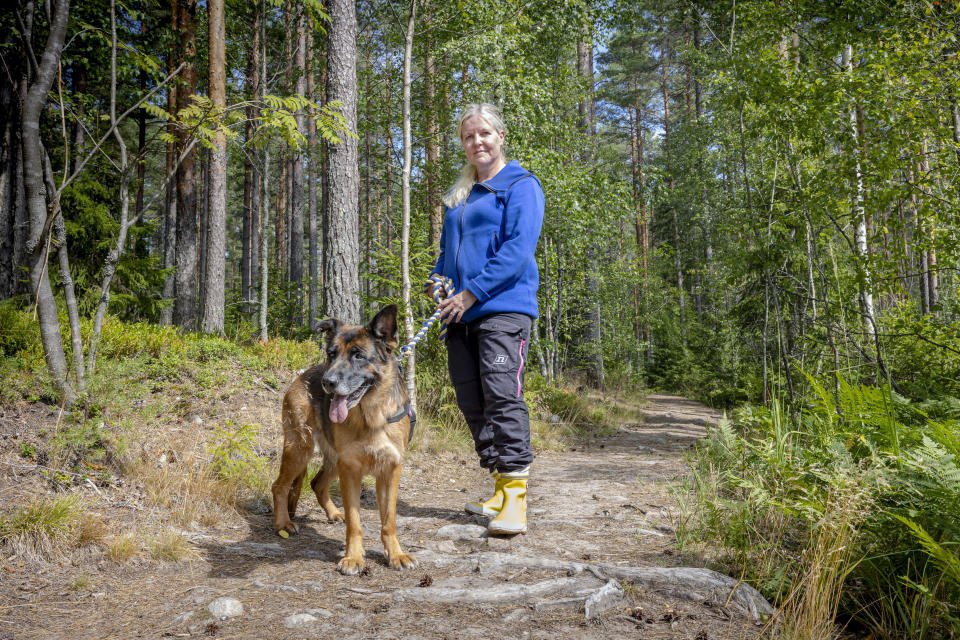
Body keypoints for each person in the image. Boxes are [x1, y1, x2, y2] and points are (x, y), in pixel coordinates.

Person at [427, 103, 545, 535]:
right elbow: (445, 253)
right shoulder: (460, 194)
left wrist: (472, 291)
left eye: (484, 134)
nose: (477, 142)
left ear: (500, 137)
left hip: (503, 310)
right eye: (468, 136)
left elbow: (517, 251)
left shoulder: (521, 185)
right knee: (472, 402)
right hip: (458, 315)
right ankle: (499, 486)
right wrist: (438, 282)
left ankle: (516, 499)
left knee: (502, 397)